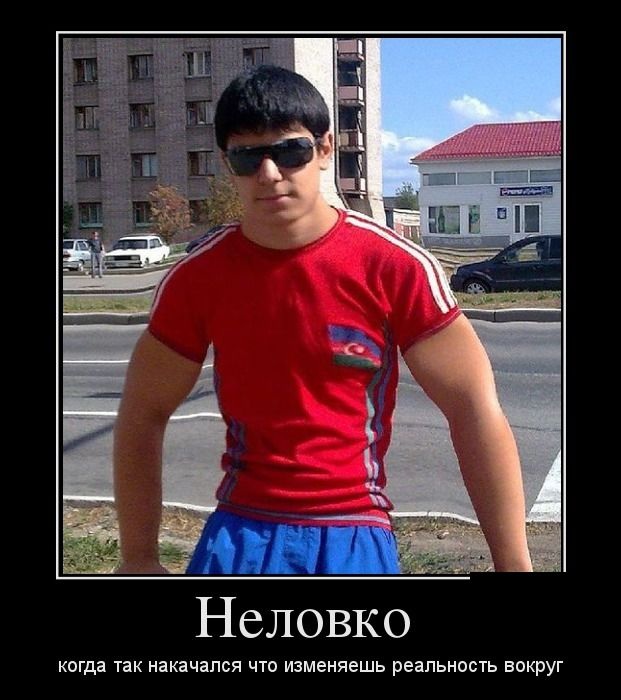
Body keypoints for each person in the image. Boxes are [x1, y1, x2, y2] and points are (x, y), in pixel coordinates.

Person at [113, 65, 533, 575]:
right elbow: (142, 413)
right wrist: (138, 559)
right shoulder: (197, 278)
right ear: (227, 165)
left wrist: (514, 564)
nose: (270, 173)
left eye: (290, 151)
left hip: (351, 531)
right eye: (248, 156)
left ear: (326, 148)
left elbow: (474, 410)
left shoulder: (393, 266)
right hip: (240, 534)